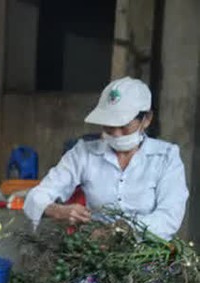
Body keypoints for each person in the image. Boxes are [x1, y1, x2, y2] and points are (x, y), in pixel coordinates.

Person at [24, 76, 189, 241]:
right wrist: (56, 210)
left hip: (148, 254)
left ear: (146, 119)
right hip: (96, 251)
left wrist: (119, 232)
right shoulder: (84, 152)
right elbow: (36, 196)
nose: (116, 133)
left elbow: (169, 217)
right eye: (109, 126)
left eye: (124, 126)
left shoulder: (166, 157)